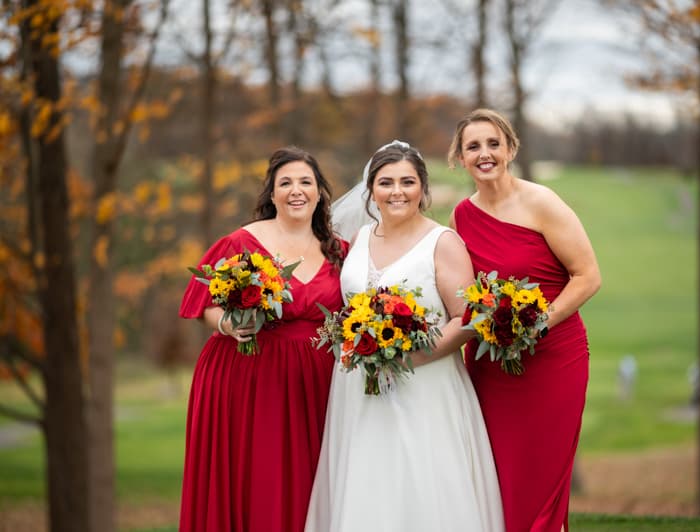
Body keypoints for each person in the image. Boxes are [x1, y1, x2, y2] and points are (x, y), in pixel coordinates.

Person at [305, 141, 505, 532]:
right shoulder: (359, 239)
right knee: (366, 479)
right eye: (386, 182)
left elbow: (467, 318)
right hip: (357, 386)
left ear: (422, 189)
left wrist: (411, 357)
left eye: (407, 182)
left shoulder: (442, 242)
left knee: (421, 476)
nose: (397, 191)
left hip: (424, 383)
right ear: (371, 189)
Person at [178, 146, 348, 531]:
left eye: (305, 182)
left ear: (319, 191)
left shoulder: (339, 250)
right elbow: (203, 303)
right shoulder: (241, 242)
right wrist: (228, 325)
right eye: (284, 183)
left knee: (310, 483)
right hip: (249, 378)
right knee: (259, 478)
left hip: (316, 384)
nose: (296, 191)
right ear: (271, 194)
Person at [449, 109, 601, 532]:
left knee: (543, 476)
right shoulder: (461, 216)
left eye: (493, 144)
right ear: (460, 158)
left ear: (510, 149)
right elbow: (463, 293)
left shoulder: (542, 202)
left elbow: (588, 276)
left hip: (554, 358)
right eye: (473, 147)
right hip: (492, 365)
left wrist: (537, 325)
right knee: (498, 475)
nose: (484, 154)